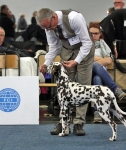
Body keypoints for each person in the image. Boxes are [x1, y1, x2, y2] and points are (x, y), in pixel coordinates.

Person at [36, 8, 95, 136]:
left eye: (48, 27)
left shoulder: (74, 18)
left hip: (84, 52)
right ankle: (63, 122)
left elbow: (87, 42)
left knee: (83, 87)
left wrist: (76, 61)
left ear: (54, 17)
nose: (47, 30)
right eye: (44, 28)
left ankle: (79, 123)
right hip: (67, 51)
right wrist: (46, 63)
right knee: (64, 89)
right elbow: (54, 46)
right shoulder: (48, 27)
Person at [89, 22, 126, 123]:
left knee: (97, 78)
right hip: (86, 74)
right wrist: (99, 59)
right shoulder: (84, 44)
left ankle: (97, 111)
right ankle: (115, 89)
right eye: (91, 33)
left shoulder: (103, 44)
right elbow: (85, 60)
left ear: (100, 33)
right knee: (96, 65)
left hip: (100, 75)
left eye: (96, 33)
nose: (93, 36)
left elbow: (109, 60)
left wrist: (93, 60)